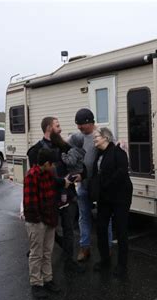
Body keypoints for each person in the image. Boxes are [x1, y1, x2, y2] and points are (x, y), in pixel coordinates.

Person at [26, 117, 85, 273]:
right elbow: (36, 177)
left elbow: (79, 163)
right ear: (48, 129)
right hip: (48, 198)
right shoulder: (35, 151)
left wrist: (82, 175)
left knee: (69, 230)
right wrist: (60, 181)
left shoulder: (64, 146)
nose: (60, 129)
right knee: (45, 230)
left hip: (67, 196)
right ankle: (41, 271)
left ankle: (69, 262)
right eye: (57, 126)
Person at [23, 148, 71, 298]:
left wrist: (65, 181)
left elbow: (56, 183)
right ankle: (36, 283)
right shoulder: (32, 175)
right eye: (52, 164)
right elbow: (30, 204)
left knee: (47, 252)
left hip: (49, 220)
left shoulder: (47, 174)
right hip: (37, 222)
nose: (54, 166)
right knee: (36, 254)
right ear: (46, 163)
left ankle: (47, 279)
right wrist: (39, 221)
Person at [91, 127, 133, 277]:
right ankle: (105, 260)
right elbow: (97, 173)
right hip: (104, 197)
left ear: (105, 138)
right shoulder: (99, 154)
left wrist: (105, 184)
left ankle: (122, 266)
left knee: (121, 230)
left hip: (120, 196)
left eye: (97, 136)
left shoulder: (118, 152)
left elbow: (121, 172)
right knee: (101, 227)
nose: (94, 138)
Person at [73, 108, 112, 262]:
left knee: (105, 216)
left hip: (100, 185)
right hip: (83, 183)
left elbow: (111, 151)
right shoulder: (77, 137)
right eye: (77, 125)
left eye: (81, 124)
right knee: (84, 216)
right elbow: (65, 146)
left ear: (89, 122)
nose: (79, 128)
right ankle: (85, 247)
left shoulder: (102, 134)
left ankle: (107, 247)